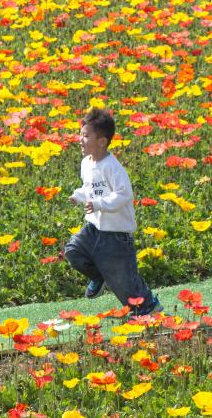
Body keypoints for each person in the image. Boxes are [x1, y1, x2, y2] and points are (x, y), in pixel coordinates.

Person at [65, 108, 162, 315]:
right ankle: (98, 276)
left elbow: (123, 195)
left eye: (86, 136)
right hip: (94, 228)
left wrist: (99, 204)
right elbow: (90, 188)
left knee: (123, 281)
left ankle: (148, 308)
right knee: (73, 251)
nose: (80, 140)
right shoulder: (86, 163)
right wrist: (78, 195)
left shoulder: (112, 167)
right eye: (80, 134)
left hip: (116, 234)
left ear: (102, 141)